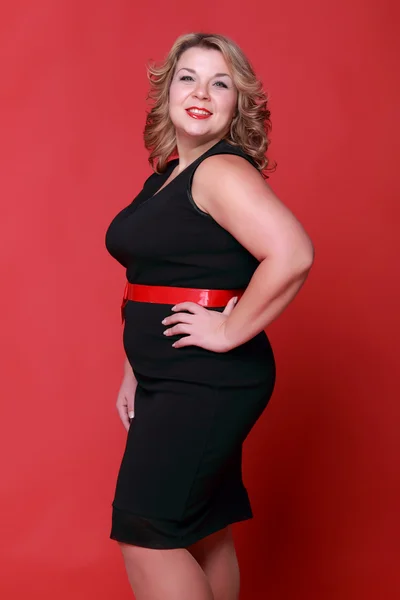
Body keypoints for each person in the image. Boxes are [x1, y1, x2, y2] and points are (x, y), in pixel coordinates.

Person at [105, 32, 314, 600]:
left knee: (148, 528)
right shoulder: (167, 176)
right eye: (188, 78)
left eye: (219, 83)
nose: (201, 92)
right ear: (167, 91)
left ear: (237, 101)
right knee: (203, 531)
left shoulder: (221, 172)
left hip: (206, 381)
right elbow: (154, 280)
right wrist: (134, 368)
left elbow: (292, 253)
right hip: (170, 378)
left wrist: (227, 329)